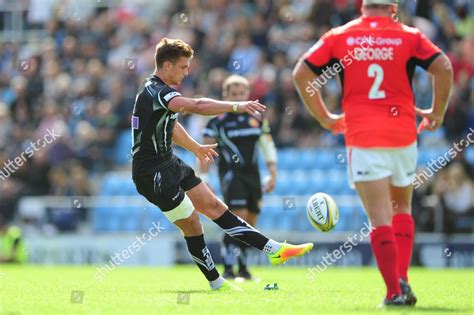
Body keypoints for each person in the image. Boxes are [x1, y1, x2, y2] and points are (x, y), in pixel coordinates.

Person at [292, 0, 452, 306]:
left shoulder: (340, 35)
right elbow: (443, 66)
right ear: (393, 8)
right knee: (401, 209)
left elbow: (302, 73)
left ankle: (393, 292)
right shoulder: (409, 35)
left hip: (363, 135)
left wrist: (325, 117)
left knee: (380, 219)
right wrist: (437, 112)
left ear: (363, 7)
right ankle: (402, 280)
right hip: (403, 134)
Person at [131, 37, 313, 291]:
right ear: (168, 65)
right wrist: (236, 105)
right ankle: (217, 282)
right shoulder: (156, 91)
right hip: (152, 175)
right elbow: (196, 105)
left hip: (169, 163)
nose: (186, 72)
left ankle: (274, 249)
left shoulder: (157, 92)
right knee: (193, 223)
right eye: (183, 67)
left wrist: (195, 147)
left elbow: (170, 126)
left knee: (216, 207)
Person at [199, 75, 278, 280]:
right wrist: (204, 178)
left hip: (254, 175)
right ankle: (227, 268)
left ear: (247, 94)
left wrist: (272, 173)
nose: (237, 96)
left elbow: (267, 145)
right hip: (231, 175)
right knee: (238, 217)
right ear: (226, 96)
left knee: (250, 222)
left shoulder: (257, 118)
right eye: (233, 94)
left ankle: (243, 268)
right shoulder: (217, 120)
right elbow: (205, 150)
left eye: (241, 93)